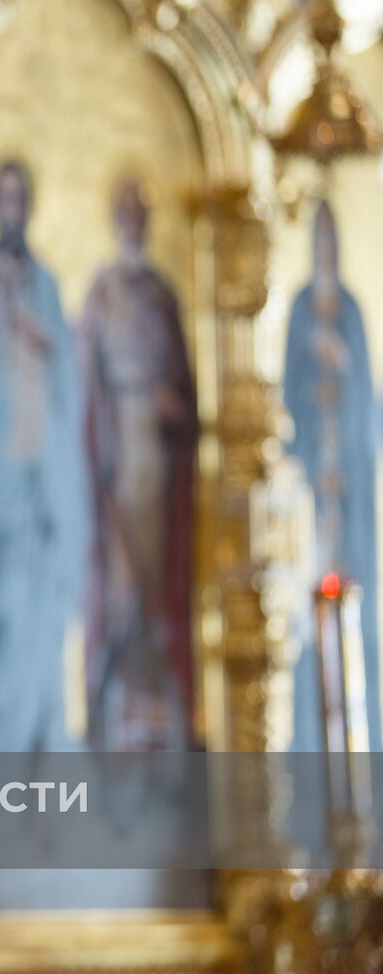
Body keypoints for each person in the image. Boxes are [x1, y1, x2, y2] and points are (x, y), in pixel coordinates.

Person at [0, 160, 87, 752]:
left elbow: (69, 377)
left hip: (44, 476)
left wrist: (45, 341)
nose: (11, 211)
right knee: (5, 610)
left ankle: (45, 732)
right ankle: (3, 734)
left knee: (45, 615)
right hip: (2, 474)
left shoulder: (47, 284)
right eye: (2, 200)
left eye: (18, 200)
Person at [81, 179, 197, 751]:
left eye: (138, 211)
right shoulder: (104, 292)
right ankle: (119, 695)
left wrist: (171, 401)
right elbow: (88, 382)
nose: (131, 220)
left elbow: (184, 385)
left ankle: (157, 690)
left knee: (155, 575)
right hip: (118, 442)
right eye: (122, 210)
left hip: (156, 449)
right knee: (122, 574)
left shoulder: (159, 292)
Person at [283, 200, 380, 752]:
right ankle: (305, 741)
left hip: (347, 488)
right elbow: (285, 397)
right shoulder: (298, 309)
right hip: (310, 493)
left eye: (329, 235)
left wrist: (341, 364)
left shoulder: (351, 311)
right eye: (314, 235)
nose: (323, 245)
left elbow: (366, 403)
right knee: (307, 612)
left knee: (354, 613)